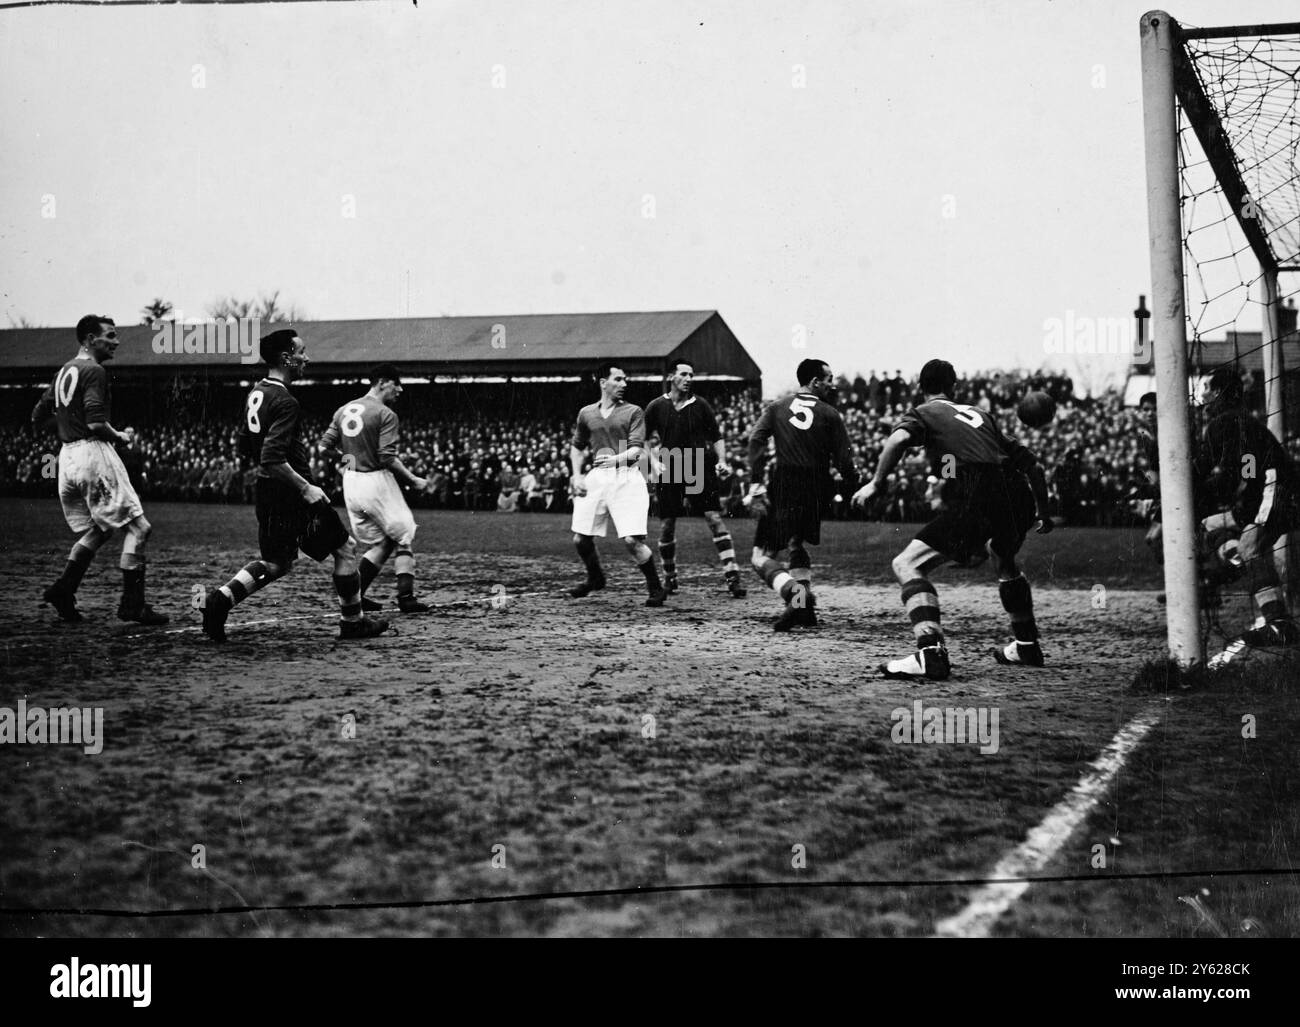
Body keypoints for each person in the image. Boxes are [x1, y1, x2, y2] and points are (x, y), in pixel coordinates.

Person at [852, 358, 1052, 680]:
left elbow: (899, 440)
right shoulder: (981, 416)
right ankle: (1027, 645)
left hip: (978, 493)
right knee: (1004, 560)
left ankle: (930, 653)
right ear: (954, 386)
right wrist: (1043, 512)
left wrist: (877, 483)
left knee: (908, 565)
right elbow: (1035, 468)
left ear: (921, 387)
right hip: (1017, 495)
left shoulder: (923, 412)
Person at [201, 329, 388, 642]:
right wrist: (305, 488)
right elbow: (272, 456)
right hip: (292, 492)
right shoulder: (286, 400)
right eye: (302, 351)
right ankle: (353, 623)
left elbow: (248, 444)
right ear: (287, 358)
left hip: (268, 490)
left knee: (277, 561)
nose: (307, 358)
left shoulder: (257, 392)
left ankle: (219, 600)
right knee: (345, 548)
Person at [31, 315, 169, 625]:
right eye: (110, 335)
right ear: (90, 339)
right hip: (92, 454)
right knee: (139, 528)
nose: (116, 341)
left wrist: (69, 426)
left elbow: (37, 415)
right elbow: (95, 422)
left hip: (67, 458)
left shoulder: (64, 370)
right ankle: (133, 605)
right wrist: (120, 436)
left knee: (100, 529)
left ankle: (64, 589)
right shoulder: (94, 371)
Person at [746, 358, 858, 631]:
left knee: (760, 556)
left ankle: (796, 596)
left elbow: (755, 440)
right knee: (797, 543)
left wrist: (756, 482)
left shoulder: (777, 407)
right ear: (815, 381)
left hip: (787, 481)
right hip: (817, 485)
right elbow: (845, 460)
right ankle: (805, 612)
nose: (832, 384)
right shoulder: (830, 414)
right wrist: (855, 485)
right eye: (829, 379)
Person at [1194, 366, 1300, 645]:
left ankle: (1280, 624)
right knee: (1220, 532)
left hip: (1274, 487)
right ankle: (1218, 579)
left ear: (1217, 392)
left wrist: (1184, 488)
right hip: (1265, 490)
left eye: (1206, 387)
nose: (1202, 393)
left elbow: (1230, 475)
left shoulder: (1225, 423)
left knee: (1250, 548)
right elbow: (1239, 471)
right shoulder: (1233, 422)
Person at [318, 364, 431, 615]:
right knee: (404, 535)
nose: (399, 389)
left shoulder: (343, 409)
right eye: (396, 383)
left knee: (383, 542)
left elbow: (323, 448)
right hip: (376, 481)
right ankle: (406, 598)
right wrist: (414, 480)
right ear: (382, 382)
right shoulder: (385, 413)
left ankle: (357, 595)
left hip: (352, 482)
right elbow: (387, 456)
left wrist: (348, 459)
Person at [568, 360, 669, 607]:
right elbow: (577, 447)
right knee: (580, 539)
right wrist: (577, 475)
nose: (624, 383)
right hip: (597, 477)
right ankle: (595, 578)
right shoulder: (586, 413)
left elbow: (636, 451)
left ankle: (656, 588)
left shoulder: (633, 412)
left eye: (625, 379)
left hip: (627, 476)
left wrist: (613, 459)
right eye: (618, 379)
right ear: (603, 383)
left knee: (632, 541)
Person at [644, 361, 746, 599]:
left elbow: (717, 437)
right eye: (684, 374)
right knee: (667, 524)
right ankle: (670, 579)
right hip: (671, 465)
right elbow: (643, 438)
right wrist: (652, 461)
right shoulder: (656, 406)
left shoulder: (701, 405)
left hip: (699, 464)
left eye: (691, 375)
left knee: (713, 517)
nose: (689, 378)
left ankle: (733, 578)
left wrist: (721, 460)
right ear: (672, 377)